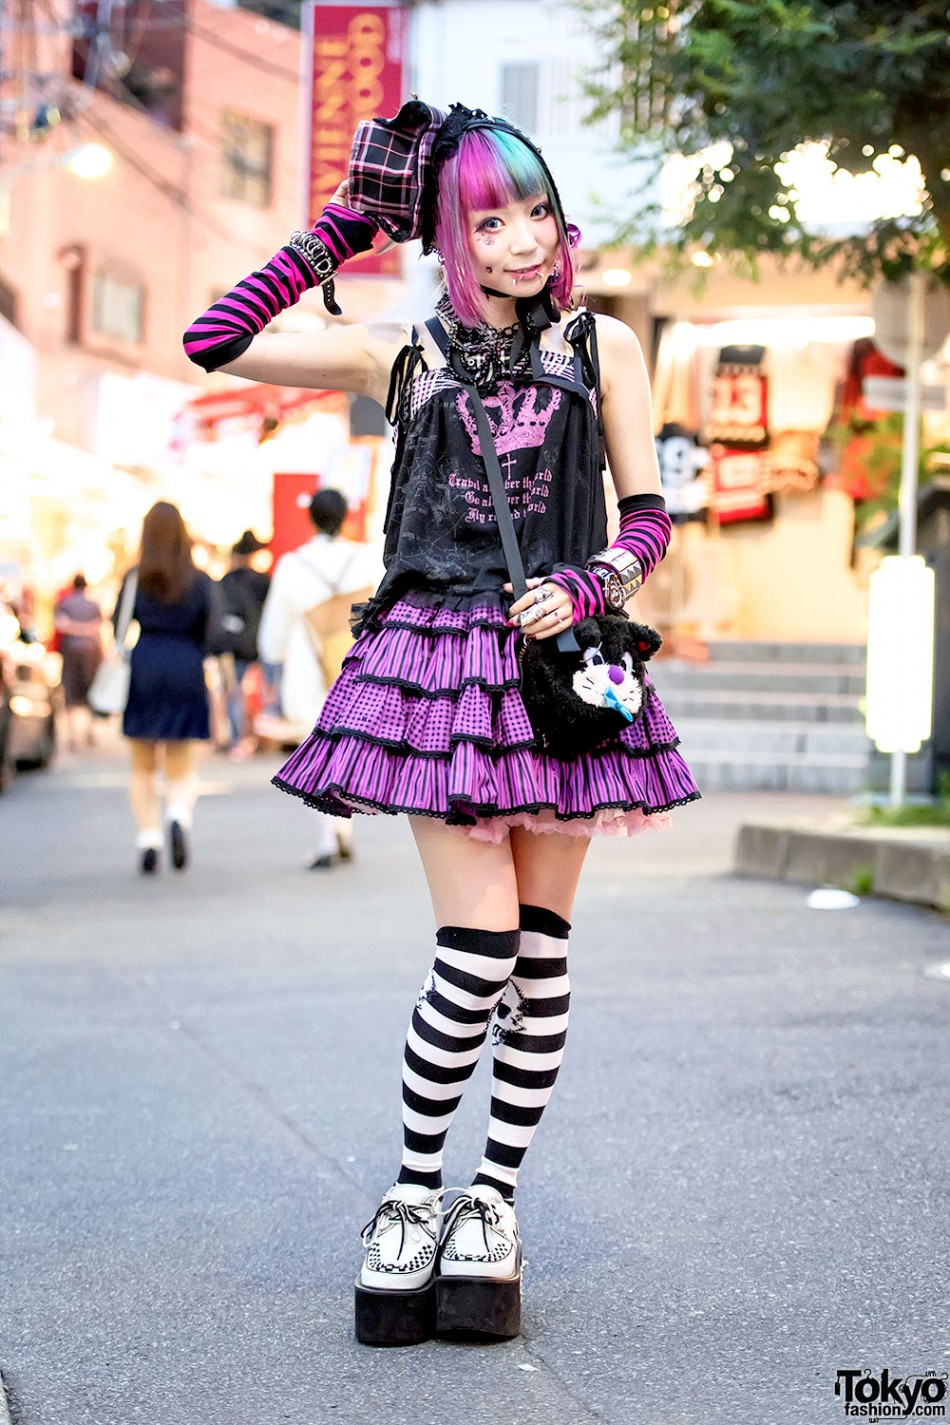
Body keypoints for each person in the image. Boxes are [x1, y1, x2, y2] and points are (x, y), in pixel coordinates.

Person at [183, 99, 700, 1345]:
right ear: (449, 234)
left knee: (539, 953)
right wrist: (350, 225)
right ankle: (411, 1195)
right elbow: (215, 339)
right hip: (432, 669)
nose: (523, 239)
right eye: (488, 218)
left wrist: (592, 583)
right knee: (470, 957)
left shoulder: (603, 346)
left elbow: (645, 515)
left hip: (560, 666)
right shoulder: (399, 352)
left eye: (534, 209)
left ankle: (490, 1204)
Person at [257, 489, 377, 868]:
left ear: (311, 518)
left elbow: (274, 633)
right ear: (345, 517)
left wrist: (272, 662)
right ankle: (345, 830)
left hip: (308, 666)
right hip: (357, 663)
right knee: (348, 750)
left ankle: (327, 838)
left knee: (317, 747)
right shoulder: (365, 559)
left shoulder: (294, 565)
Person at [116, 501, 215, 875]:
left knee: (142, 766)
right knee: (180, 762)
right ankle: (177, 813)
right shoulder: (200, 580)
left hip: (145, 664)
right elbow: (212, 632)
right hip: (186, 664)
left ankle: (148, 838)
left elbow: (118, 631)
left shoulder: (133, 578)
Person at [212, 530, 270, 759]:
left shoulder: (225, 581)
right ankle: (259, 737)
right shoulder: (263, 581)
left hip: (229, 644)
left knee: (232, 691)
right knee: (261, 691)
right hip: (257, 643)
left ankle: (237, 738)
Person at [54, 574, 103, 751]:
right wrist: (86, 630)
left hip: (71, 650)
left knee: (70, 690)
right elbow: (98, 626)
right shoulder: (93, 604)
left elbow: (61, 624)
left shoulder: (65, 603)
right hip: (91, 650)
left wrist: (75, 629)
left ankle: (72, 734)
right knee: (91, 690)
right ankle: (90, 731)